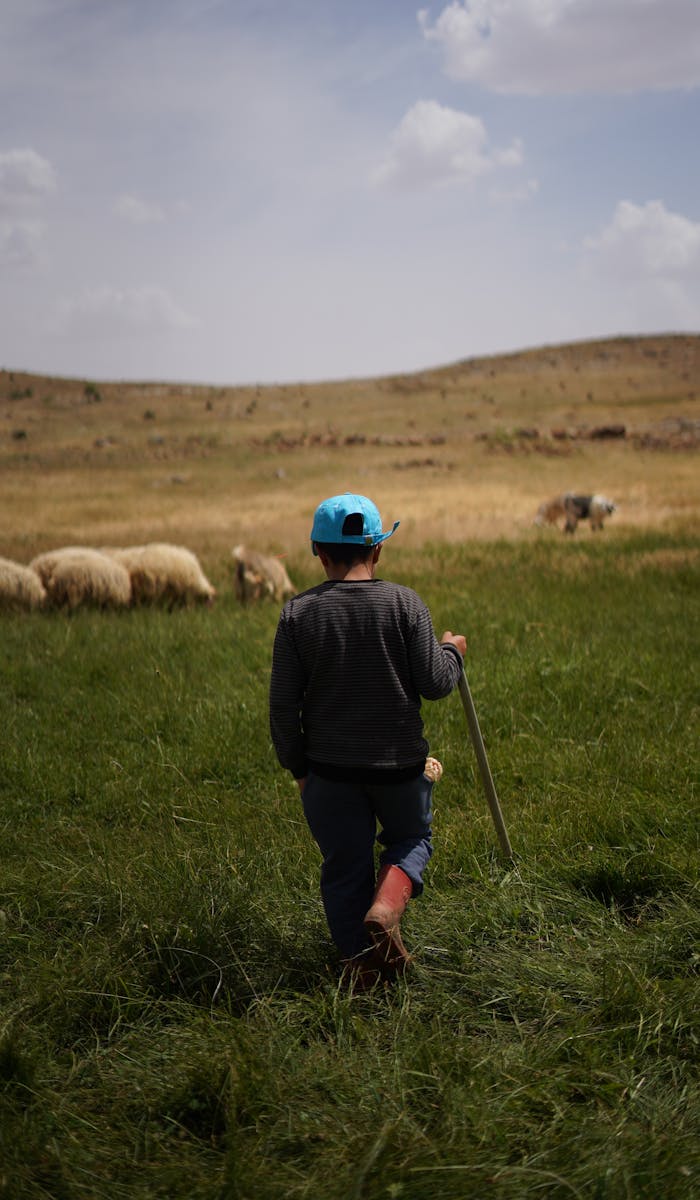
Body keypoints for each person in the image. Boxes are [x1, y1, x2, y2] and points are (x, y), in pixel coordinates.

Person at [269, 492, 466, 988]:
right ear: (377, 549)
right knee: (410, 839)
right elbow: (436, 683)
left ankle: (360, 971)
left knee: (343, 868)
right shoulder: (405, 603)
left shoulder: (297, 615)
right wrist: (452, 652)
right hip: (399, 767)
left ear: (318, 551)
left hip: (329, 772)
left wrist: (299, 770)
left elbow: (282, 708)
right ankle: (386, 905)